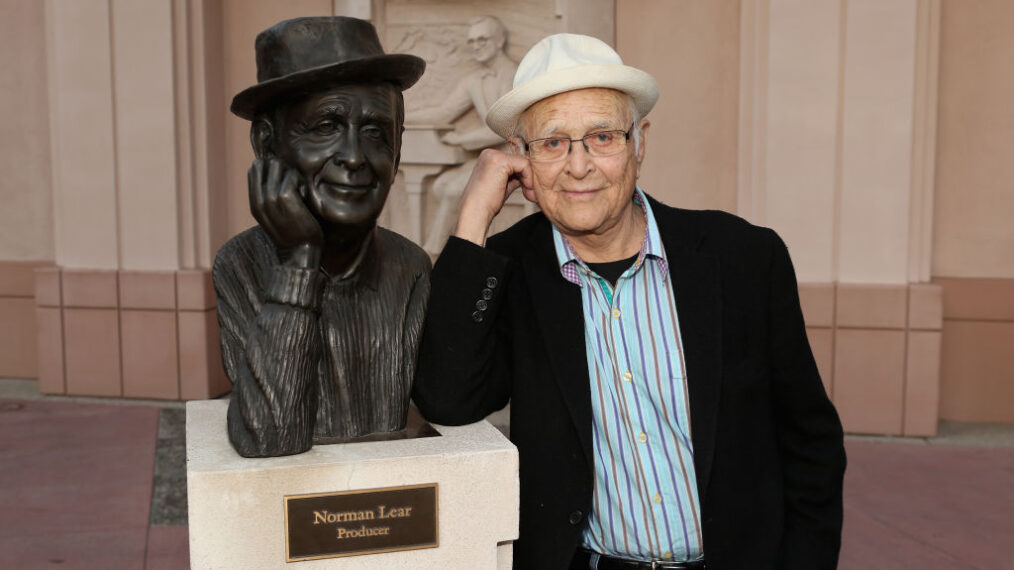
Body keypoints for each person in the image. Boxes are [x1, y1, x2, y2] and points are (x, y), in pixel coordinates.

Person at [412, 33, 846, 570]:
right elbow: (447, 399)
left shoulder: (743, 258)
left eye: (601, 137)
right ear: (521, 162)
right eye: (552, 143)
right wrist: (472, 220)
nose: (578, 166)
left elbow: (810, 441)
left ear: (639, 143)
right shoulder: (510, 269)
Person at [214, 17, 430, 458]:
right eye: (326, 126)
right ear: (267, 144)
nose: (353, 157)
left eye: (374, 132)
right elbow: (269, 439)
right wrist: (299, 262)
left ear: (398, 149)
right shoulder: (239, 266)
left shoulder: (411, 269)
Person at [408, 15, 518, 254]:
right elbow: (444, 112)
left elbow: (506, 127)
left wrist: (462, 140)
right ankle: (466, 247)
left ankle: (432, 253)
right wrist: (402, 112)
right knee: (441, 185)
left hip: (513, 156)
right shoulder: (473, 81)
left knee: (452, 189)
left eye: (482, 39)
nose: (476, 45)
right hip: (489, 156)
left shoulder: (514, 75)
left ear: (499, 42)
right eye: (472, 41)